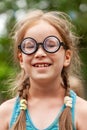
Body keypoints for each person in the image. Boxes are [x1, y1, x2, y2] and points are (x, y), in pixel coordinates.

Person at [0, 9, 87, 130]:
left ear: (67, 57)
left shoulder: (82, 113)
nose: (40, 53)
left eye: (51, 45)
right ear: (21, 59)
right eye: (30, 46)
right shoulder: (5, 114)